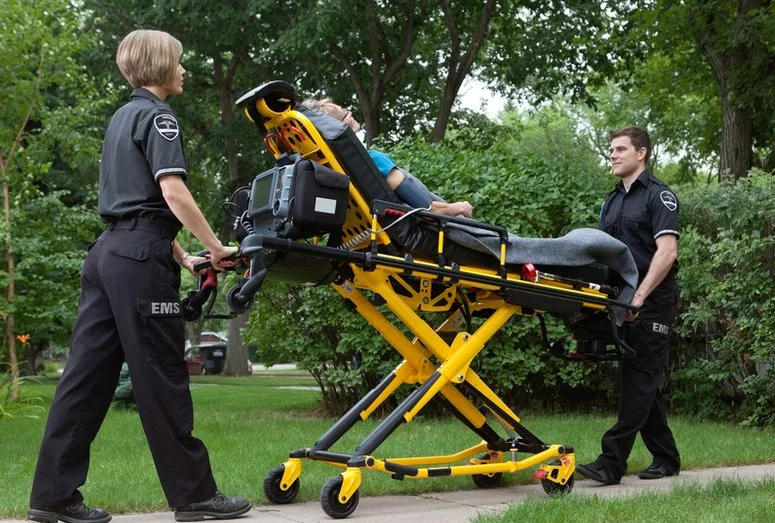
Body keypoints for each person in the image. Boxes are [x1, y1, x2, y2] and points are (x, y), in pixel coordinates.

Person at [28, 30, 250, 523]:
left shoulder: (120, 119)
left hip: (109, 253)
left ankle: (52, 496)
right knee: (163, 375)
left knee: (83, 379)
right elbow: (171, 193)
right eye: (180, 61)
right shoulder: (158, 117)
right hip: (137, 259)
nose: (185, 70)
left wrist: (184, 258)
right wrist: (215, 248)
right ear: (160, 65)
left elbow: (135, 207)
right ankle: (195, 496)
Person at [576, 126, 681, 485]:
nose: (613, 155)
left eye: (621, 149)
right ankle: (666, 457)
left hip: (652, 301)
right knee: (642, 378)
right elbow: (605, 255)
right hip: (620, 301)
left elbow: (667, 252)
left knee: (639, 378)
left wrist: (640, 295)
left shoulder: (659, 196)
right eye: (611, 150)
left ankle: (611, 462)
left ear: (642, 153)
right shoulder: (612, 201)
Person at [301, 98, 474, 217]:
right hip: (442, 226)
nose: (350, 112)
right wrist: (459, 207)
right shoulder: (374, 160)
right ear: (340, 125)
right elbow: (430, 207)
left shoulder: (341, 172)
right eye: (344, 112)